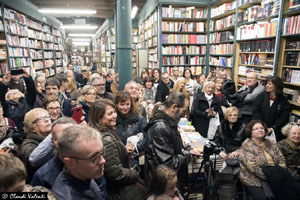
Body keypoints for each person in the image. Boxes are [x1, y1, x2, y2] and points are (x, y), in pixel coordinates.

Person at [145, 92, 200, 194]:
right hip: (164, 186)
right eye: (183, 111)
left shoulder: (168, 122)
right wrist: (187, 155)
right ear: (174, 107)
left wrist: (187, 149)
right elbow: (168, 163)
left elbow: (173, 145)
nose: (184, 114)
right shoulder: (161, 127)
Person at [89, 99, 144, 200]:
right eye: (110, 114)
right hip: (120, 193)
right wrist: (134, 172)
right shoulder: (106, 140)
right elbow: (116, 175)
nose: (114, 116)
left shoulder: (106, 132)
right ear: (99, 118)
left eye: (114, 112)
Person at [51, 125, 106, 200]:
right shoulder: (66, 196)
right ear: (70, 163)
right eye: (95, 158)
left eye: (101, 153)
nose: (103, 161)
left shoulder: (85, 174)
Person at [239, 120, 286, 200]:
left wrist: (281, 172)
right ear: (251, 132)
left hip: (275, 175)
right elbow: (254, 168)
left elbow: (281, 159)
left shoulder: (271, 142)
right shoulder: (247, 145)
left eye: (262, 128)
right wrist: (273, 177)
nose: (260, 130)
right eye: (256, 129)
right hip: (254, 178)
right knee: (265, 197)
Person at [252, 76, 290, 141]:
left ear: (276, 85)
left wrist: (272, 128)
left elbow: (283, 118)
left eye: (269, 84)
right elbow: (255, 111)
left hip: (275, 132)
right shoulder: (261, 96)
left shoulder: (283, 100)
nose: (267, 85)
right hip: (259, 128)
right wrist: (261, 127)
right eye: (266, 83)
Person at [0, 71, 36, 136]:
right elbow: (1, 97)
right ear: (7, 97)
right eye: (11, 93)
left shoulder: (27, 101)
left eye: (16, 92)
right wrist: (3, 84)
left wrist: (28, 78)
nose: (14, 93)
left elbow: (32, 91)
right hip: (16, 134)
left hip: (32, 132)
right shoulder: (7, 106)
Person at [21, 108, 52, 182]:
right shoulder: (28, 143)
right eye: (40, 119)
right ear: (32, 128)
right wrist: (54, 135)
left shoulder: (53, 137)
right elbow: (32, 158)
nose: (47, 120)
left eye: (47, 117)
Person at [115, 92, 147, 159]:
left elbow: (146, 138)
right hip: (117, 156)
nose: (125, 107)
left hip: (134, 156)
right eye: (122, 104)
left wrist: (135, 147)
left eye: (127, 104)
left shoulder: (140, 119)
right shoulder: (113, 120)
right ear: (116, 105)